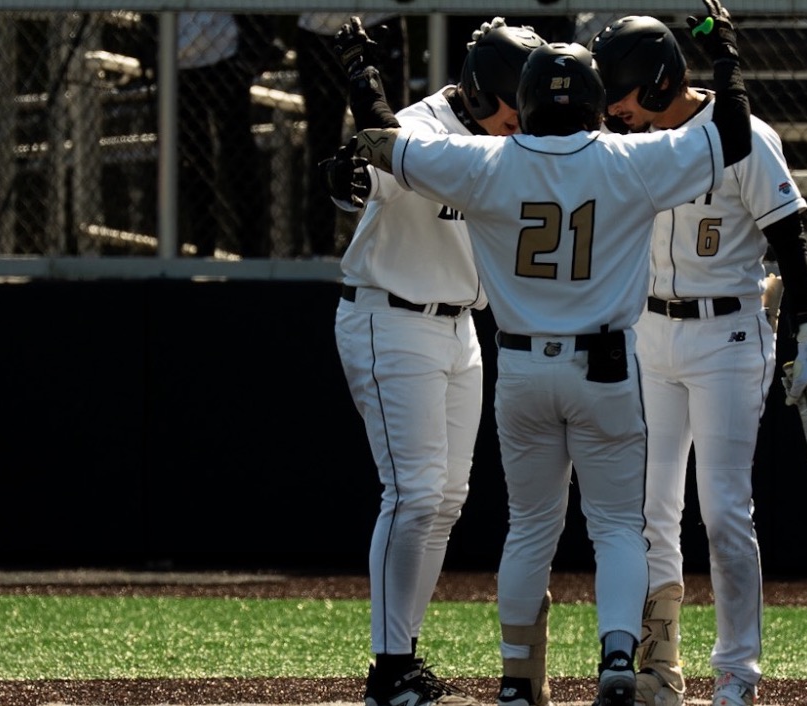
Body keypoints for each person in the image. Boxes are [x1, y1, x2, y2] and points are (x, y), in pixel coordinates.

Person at [336, 2, 749, 704]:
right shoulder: (629, 159)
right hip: (605, 367)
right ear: (596, 102)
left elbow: (382, 141)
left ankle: (516, 680)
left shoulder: (486, 161)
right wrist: (726, 58)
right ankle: (616, 659)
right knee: (617, 528)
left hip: (520, 366)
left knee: (527, 527)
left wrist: (361, 78)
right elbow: (731, 134)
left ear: (525, 101)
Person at [589, 15, 807, 706]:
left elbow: (791, 242)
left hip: (727, 335)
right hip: (648, 331)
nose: (613, 110)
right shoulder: (629, 141)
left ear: (658, 82)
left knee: (722, 511)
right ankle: (659, 666)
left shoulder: (745, 136)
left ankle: (737, 672)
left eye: (621, 96)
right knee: (650, 509)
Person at [323, 17, 544, 706]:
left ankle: (404, 656)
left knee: (446, 499)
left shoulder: (511, 139)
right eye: (512, 107)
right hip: (391, 315)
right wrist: (351, 162)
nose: (519, 123)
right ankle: (389, 667)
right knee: (414, 493)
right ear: (480, 93)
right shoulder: (418, 126)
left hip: (460, 327)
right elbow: (366, 174)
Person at [295, 12, 408, 257]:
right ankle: (320, 250)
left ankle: (392, 248)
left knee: (390, 139)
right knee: (322, 143)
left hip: (378, 19)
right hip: (318, 27)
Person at [175, 12, 278, 258]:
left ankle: (252, 253)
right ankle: (202, 249)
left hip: (225, 55)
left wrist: (250, 53)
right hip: (177, 62)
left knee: (239, 158)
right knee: (192, 162)